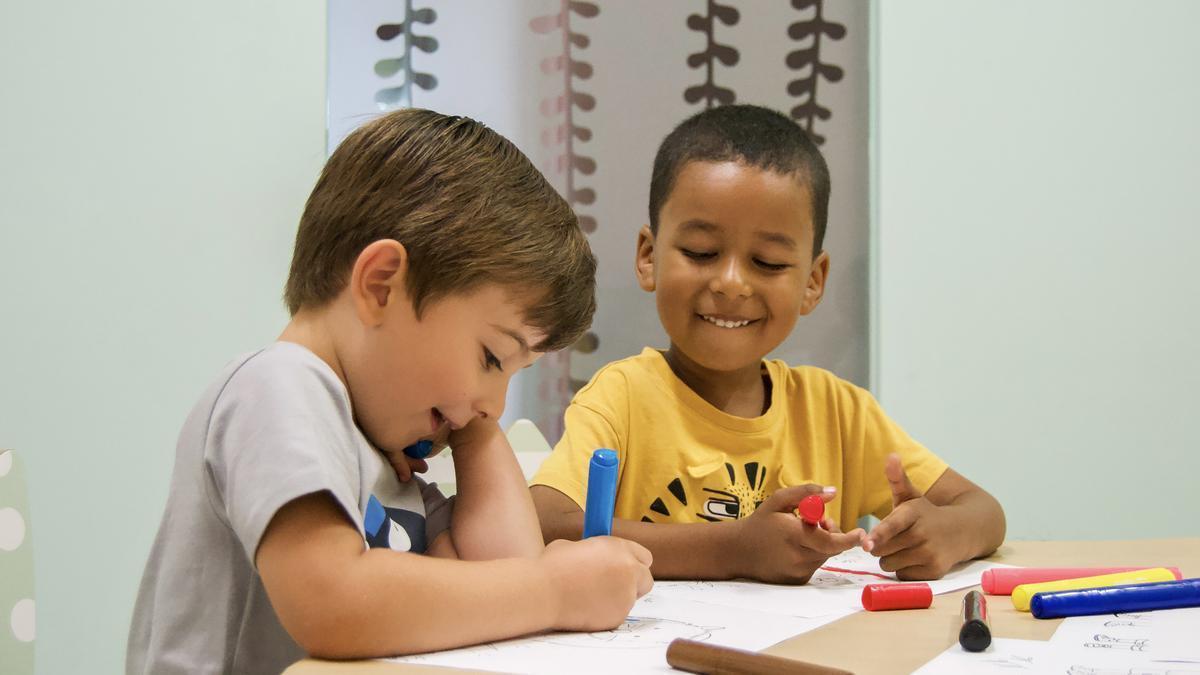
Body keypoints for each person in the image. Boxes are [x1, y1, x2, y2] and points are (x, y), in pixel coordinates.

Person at [127, 109, 653, 674]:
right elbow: (331, 601)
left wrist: (475, 434)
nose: (494, 405)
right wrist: (553, 591)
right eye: (492, 357)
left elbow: (503, 569)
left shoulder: (382, 455)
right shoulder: (277, 388)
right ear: (380, 286)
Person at [531, 104, 1005, 584]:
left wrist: (945, 532)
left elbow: (984, 511)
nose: (732, 283)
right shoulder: (622, 398)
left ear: (813, 282)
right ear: (649, 257)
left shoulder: (837, 413)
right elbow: (546, 526)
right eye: (701, 253)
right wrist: (734, 549)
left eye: (769, 262)